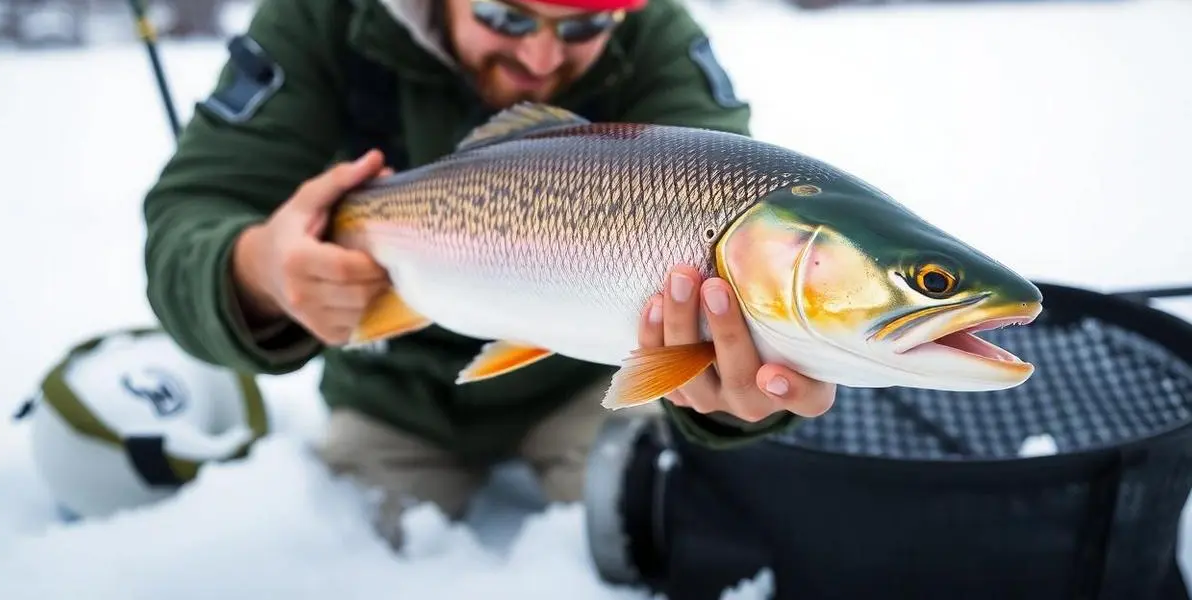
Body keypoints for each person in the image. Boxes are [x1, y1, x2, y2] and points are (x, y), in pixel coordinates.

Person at [141, 0, 837, 548]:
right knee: (345, 549)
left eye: (585, 24)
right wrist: (257, 271)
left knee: (669, 523)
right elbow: (190, 214)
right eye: (505, 16)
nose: (540, 54)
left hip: (591, 380)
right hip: (390, 390)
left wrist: (738, 390)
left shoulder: (658, 37)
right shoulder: (319, 19)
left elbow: (740, 216)